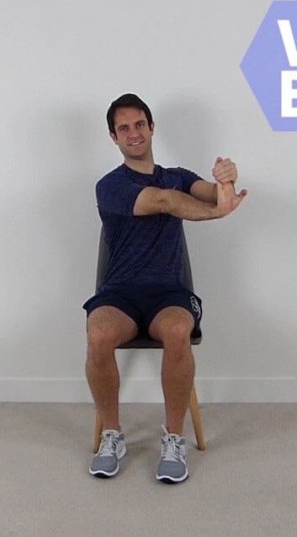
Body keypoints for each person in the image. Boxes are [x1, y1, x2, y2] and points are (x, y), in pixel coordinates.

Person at [83, 93, 247, 483]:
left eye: (140, 124)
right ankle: (112, 435)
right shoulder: (110, 186)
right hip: (120, 292)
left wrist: (227, 179)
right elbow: (163, 202)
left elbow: (210, 193)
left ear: (152, 128)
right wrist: (217, 213)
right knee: (98, 332)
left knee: (177, 330)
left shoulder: (178, 176)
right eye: (124, 128)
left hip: (169, 292)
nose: (134, 133)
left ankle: (174, 439)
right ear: (114, 137)